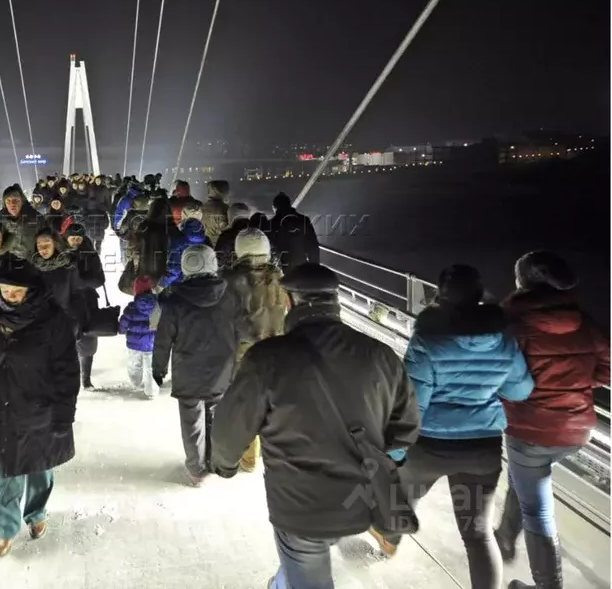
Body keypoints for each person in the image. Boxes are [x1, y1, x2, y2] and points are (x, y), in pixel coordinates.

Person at [209, 263, 420, 588]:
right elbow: (406, 428)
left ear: (290, 303)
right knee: (307, 559)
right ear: (335, 301)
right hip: (359, 499)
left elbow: (230, 428)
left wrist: (224, 465)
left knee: (307, 566)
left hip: (299, 507)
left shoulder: (267, 358)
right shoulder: (381, 355)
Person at [365, 265, 534, 589]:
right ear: (479, 295)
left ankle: (389, 540)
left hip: (429, 446)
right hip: (481, 448)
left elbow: (413, 403)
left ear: (441, 295)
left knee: (402, 499)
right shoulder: (502, 340)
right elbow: (520, 390)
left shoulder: (428, 338)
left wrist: (396, 450)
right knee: (478, 535)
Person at [494, 251, 609, 589]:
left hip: (531, 431)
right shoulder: (584, 322)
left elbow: (496, 374)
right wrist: (570, 386)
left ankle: (548, 586)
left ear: (523, 283)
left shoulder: (510, 322)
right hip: (577, 428)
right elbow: (605, 368)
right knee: (525, 481)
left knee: (538, 512)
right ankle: (504, 536)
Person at [0, 262, 80, 557]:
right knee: (5, 472)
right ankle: (6, 528)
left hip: (40, 408)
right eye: (5, 291)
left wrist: (65, 412)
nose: (10, 297)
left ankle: (36, 513)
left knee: (40, 468)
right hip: (0, 410)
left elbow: (67, 369)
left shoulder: (53, 320)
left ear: (32, 292)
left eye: (16, 292)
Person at [152, 245, 238, 486]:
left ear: (185, 266)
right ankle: (214, 462)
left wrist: (158, 369)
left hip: (188, 370)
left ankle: (196, 470)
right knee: (215, 417)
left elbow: (163, 338)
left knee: (192, 423)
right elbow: (238, 331)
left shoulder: (175, 300)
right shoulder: (229, 296)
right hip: (222, 369)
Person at [222, 228, 288, 472]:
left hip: (244, 354)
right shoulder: (280, 278)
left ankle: (249, 459)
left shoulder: (229, 280)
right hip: (277, 350)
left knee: (246, 407)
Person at [65, 223, 106, 389]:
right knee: (65, 340)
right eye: (72, 237)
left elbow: (100, 279)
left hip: (87, 304)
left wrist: (81, 283)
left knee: (87, 342)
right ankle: (68, 376)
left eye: (78, 238)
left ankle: (86, 378)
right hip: (65, 304)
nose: (75, 241)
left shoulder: (90, 254)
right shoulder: (59, 253)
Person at [119, 275, 160, 399]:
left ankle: (136, 382)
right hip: (152, 344)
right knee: (151, 368)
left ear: (136, 290)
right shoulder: (157, 307)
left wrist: (121, 330)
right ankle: (151, 391)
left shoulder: (131, 308)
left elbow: (123, 325)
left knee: (134, 364)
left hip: (134, 343)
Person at [160, 201, 211, 290]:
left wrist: (162, 284)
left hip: (182, 284)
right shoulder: (207, 240)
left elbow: (174, 269)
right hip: (202, 283)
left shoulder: (178, 241)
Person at [269, 192, 320, 272]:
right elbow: (313, 247)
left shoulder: (270, 224)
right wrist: (314, 270)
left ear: (274, 207)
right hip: (300, 269)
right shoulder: (304, 220)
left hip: (279, 270)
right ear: (289, 205)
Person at [0, 184, 41, 259]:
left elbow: (48, 237)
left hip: (30, 259)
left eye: (16, 200)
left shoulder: (36, 218)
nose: (13, 204)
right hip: (9, 260)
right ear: (5, 204)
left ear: (22, 201)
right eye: (8, 201)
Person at [214, 203, 252, 268]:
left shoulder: (225, 236)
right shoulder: (258, 233)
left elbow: (218, 260)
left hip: (232, 275)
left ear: (230, 217)